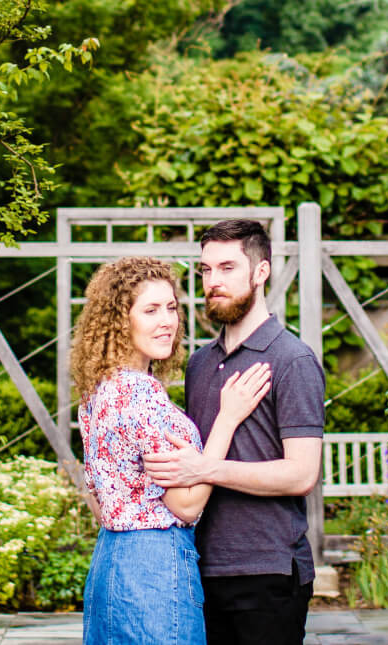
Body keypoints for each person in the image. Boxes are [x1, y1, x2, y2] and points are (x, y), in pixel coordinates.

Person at [74, 255, 273, 645]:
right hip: (153, 568)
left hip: (109, 564)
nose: (167, 321)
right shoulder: (142, 396)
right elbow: (186, 504)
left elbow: (98, 501)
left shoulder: (97, 393)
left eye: (171, 308)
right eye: (150, 310)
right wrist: (228, 419)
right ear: (120, 320)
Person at [144, 219, 324, 645]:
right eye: (206, 270)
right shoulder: (198, 364)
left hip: (268, 572)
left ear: (260, 272)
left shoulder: (292, 359)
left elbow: (301, 474)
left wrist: (205, 469)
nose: (213, 281)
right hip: (198, 565)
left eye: (227, 268)